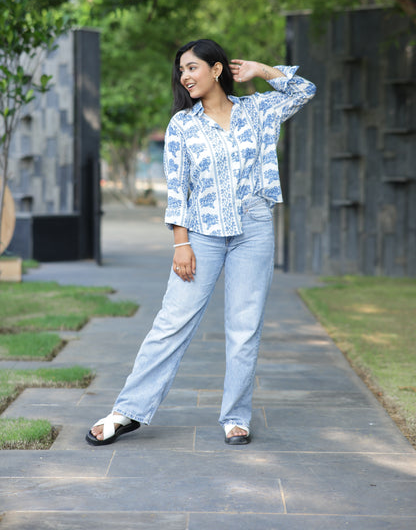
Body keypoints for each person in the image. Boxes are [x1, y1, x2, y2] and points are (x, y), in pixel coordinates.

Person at [86, 38, 316, 447]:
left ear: (216, 69)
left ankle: (236, 417)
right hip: (203, 233)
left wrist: (261, 71)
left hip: (254, 227)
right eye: (181, 70)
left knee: (245, 327)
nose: (184, 76)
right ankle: (127, 410)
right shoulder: (182, 125)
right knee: (172, 321)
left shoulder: (258, 109)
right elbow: (179, 189)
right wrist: (181, 244)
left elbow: (304, 90)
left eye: (192, 67)